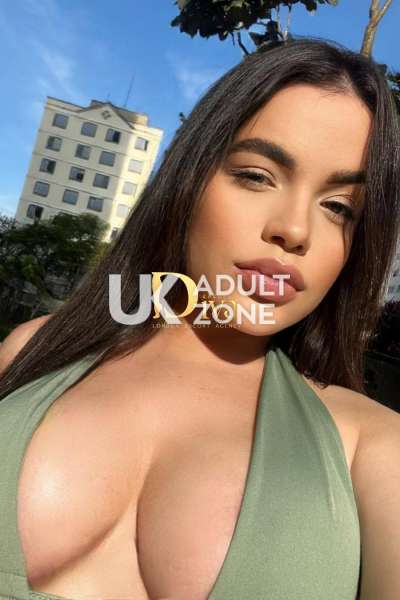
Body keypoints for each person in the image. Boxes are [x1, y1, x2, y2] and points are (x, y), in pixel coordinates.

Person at [0, 36, 399, 600]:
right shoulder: (34, 350)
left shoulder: (373, 448)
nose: (294, 230)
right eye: (257, 175)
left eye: (338, 207)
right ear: (187, 180)